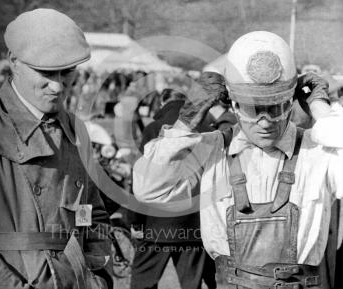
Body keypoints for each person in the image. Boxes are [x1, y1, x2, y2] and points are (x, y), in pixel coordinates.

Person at [133, 31, 343, 289]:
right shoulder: (212, 150)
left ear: (291, 102)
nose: (264, 122)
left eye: (274, 107)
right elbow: (149, 189)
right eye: (252, 109)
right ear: (233, 105)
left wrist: (323, 109)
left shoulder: (318, 153)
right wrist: (184, 124)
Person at [0, 8, 113, 289]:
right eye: (46, 72)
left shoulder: (75, 130)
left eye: (67, 72)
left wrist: (97, 274)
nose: (58, 86)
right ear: (14, 61)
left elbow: (90, 212)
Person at [130, 87, 217, 289]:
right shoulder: (207, 128)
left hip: (156, 223)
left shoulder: (154, 127)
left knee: (142, 281)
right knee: (191, 284)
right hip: (195, 222)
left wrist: (136, 221)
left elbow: (144, 177)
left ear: (163, 103)